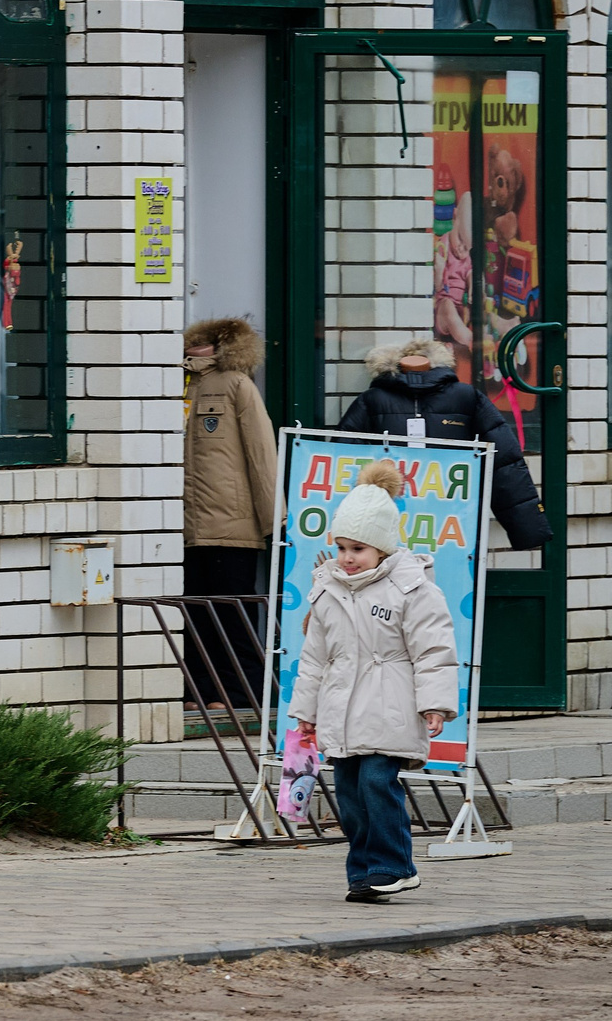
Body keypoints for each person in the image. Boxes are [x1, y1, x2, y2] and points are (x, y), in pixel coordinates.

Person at [292, 461, 457, 904]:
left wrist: (435, 704)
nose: (347, 557)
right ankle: (364, 871)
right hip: (343, 711)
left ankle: (394, 865)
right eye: (342, 546)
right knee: (348, 793)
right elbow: (315, 658)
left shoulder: (411, 588)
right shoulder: (327, 590)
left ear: (382, 548)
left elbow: (434, 651)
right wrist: (305, 714)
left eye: (358, 548)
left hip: (391, 707)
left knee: (376, 785)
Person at [337, 338, 552, 549]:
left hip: (451, 524)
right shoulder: (373, 401)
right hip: (393, 522)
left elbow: (503, 462)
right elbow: (340, 466)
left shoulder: (465, 398)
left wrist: (527, 528)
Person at [182, 316, 277, 706]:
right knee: (192, 613)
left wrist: (275, 520)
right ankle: (199, 690)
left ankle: (241, 693)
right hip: (182, 525)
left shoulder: (237, 385)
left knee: (232, 613)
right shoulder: (175, 384)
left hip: (232, 523)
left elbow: (262, 454)